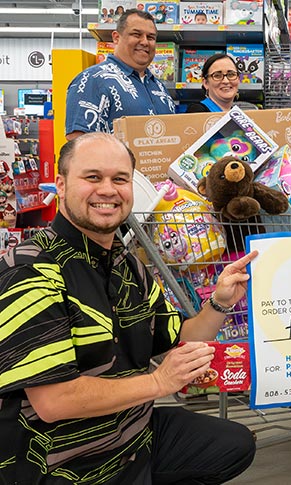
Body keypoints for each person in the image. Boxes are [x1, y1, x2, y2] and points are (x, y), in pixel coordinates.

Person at [0, 132, 256, 483]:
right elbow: (54, 400)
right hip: (62, 462)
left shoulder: (126, 263)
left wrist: (220, 302)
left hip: (132, 435)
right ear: (61, 184)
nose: (108, 190)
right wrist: (158, 382)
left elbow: (179, 338)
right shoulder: (29, 269)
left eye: (119, 179)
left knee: (233, 444)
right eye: (93, 177)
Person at [66, 9, 174, 140]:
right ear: (116, 38)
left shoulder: (159, 86)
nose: (145, 42)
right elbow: (78, 141)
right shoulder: (92, 79)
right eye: (136, 34)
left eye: (150, 37)